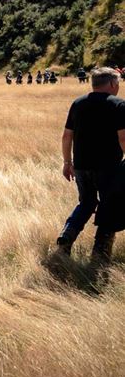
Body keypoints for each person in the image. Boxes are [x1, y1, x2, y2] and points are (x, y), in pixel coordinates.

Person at [48, 68, 125, 273]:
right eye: (118, 83)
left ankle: (67, 236)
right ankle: (100, 255)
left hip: (81, 166)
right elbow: (123, 138)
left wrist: (67, 162)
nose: (119, 87)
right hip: (109, 167)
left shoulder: (78, 103)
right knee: (110, 207)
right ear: (111, 84)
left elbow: (66, 136)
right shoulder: (118, 105)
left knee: (87, 203)